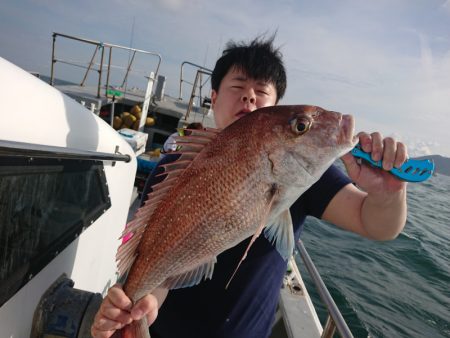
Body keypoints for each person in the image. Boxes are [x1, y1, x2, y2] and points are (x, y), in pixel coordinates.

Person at [91, 36, 408, 338]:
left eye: (261, 90)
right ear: (214, 98)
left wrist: (388, 193)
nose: (249, 96)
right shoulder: (174, 166)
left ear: (274, 108)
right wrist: (140, 307)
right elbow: (160, 268)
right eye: (238, 86)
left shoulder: (306, 173)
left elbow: (376, 224)